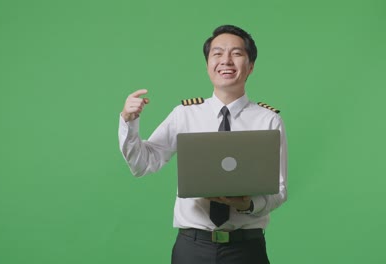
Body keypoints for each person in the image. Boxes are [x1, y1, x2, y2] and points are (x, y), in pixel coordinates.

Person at [118, 25, 288, 264]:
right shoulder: (184, 114)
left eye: (236, 53)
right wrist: (129, 121)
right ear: (208, 64)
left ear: (250, 66)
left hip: (246, 249)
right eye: (217, 54)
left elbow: (279, 188)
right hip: (193, 248)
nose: (226, 60)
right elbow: (142, 164)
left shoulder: (268, 120)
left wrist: (249, 204)